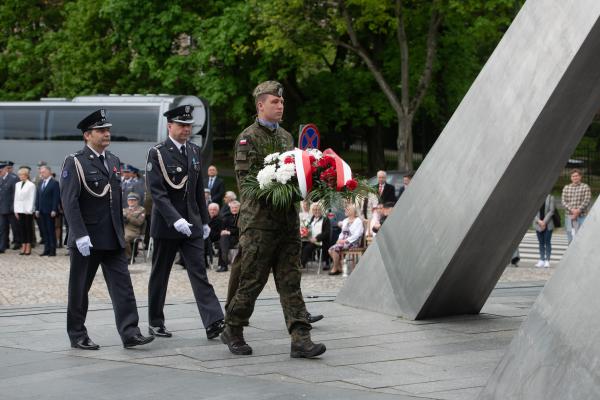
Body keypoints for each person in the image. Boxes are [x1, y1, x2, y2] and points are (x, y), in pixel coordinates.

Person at [222, 81, 326, 358]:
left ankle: (300, 338)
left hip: (287, 222)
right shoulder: (247, 138)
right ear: (260, 106)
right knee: (252, 280)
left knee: (290, 280)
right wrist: (283, 188)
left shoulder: (287, 138)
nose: (280, 106)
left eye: (282, 103)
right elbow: (247, 185)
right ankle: (232, 328)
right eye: (274, 103)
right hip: (259, 223)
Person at [61, 109, 154, 350]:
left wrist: (120, 232)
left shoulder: (113, 161)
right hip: (88, 238)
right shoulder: (76, 162)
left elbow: (114, 201)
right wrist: (79, 234)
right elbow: (69, 201)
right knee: (80, 289)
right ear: (87, 135)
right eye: (101, 130)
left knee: (123, 287)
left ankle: (130, 332)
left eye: (107, 130)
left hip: (113, 236)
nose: (106, 134)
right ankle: (77, 334)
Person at [146, 104, 224, 340]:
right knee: (160, 274)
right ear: (170, 126)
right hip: (167, 224)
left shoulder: (193, 150)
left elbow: (197, 189)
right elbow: (157, 192)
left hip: (191, 222)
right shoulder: (157, 152)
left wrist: (204, 219)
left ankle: (214, 321)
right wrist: (175, 219)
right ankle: (155, 322)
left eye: (189, 125)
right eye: (181, 125)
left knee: (199, 272)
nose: (186, 129)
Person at [328, 204, 364, 275]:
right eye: (346, 209)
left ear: (353, 211)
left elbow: (357, 234)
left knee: (334, 249)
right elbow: (342, 233)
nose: (345, 210)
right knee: (330, 250)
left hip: (353, 242)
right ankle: (339, 267)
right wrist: (339, 239)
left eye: (348, 209)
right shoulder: (345, 220)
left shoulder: (358, 221)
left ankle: (335, 268)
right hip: (343, 242)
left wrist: (345, 240)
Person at [36, 165, 60, 256]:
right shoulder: (41, 182)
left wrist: (54, 209)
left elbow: (56, 197)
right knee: (44, 231)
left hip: (50, 211)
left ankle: (52, 250)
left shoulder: (54, 183)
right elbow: (38, 197)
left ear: (49, 172)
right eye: (41, 172)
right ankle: (46, 249)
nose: (42, 174)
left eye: (43, 172)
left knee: (50, 231)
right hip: (41, 211)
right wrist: (37, 209)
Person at [561, 169, 591, 243]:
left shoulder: (585, 187)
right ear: (571, 178)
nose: (575, 177)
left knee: (582, 237)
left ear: (580, 177)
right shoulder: (566, 187)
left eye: (577, 176)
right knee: (570, 237)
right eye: (573, 176)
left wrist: (577, 211)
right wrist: (572, 210)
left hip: (582, 216)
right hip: (569, 217)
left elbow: (587, 200)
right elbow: (563, 201)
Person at [13, 167, 36, 256]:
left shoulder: (31, 185)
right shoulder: (17, 184)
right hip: (19, 209)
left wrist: (29, 209)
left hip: (28, 210)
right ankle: (23, 245)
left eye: (22, 175)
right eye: (19, 175)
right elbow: (16, 198)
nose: (20, 176)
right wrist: (15, 210)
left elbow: (32, 198)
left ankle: (28, 246)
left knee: (28, 228)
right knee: (21, 228)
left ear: (26, 175)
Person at [301, 203, 331, 269]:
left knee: (307, 248)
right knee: (300, 245)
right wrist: (305, 233)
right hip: (311, 240)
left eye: (318, 209)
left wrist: (316, 238)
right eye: (314, 210)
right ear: (312, 211)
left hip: (321, 241)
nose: (316, 211)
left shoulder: (325, 219)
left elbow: (326, 233)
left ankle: (302, 264)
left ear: (321, 210)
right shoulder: (311, 219)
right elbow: (308, 229)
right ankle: (299, 263)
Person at [0, 161, 20, 252]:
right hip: (2, 208)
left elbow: (15, 194)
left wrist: (14, 207)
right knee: (2, 228)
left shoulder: (13, 179)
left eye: (1, 170)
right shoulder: (0, 179)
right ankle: (3, 246)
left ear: (5, 169)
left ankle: (17, 242)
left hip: (11, 208)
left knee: (15, 227)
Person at [217, 200, 240, 272]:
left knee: (223, 241)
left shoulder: (242, 216)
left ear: (239, 208)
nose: (234, 209)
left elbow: (240, 229)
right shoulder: (227, 216)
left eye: (236, 208)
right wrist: (222, 231)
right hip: (228, 238)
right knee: (223, 239)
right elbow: (222, 227)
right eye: (232, 208)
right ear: (230, 208)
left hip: (239, 236)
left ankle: (224, 262)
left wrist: (229, 232)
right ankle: (224, 263)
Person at [533, 194, 555, 268]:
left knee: (547, 242)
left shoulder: (551, 197)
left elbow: (552, 211)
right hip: (538, 224)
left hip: (548, 224)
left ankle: (547, 260)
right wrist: (539, 221)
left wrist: (544, 222)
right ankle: (541, 260)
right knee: (541, 242)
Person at [123, 192, 146, 262]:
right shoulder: (125, 209)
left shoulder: (141, 210)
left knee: (124, 238)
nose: (131, 202)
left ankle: (129, 257)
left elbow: (139, 222)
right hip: (124, 229)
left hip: (134, 231)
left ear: (137, 201)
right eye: (129, 200)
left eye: (133, 200)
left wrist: (128, 216)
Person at [205, 202, 222, 267]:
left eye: (214, 210)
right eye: (210, 209)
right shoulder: (206, 217)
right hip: (206, 236)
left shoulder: (220, 219)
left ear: (217, 211)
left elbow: (220, 231)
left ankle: (208, 262)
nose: (212, 211)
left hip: (216, 236)